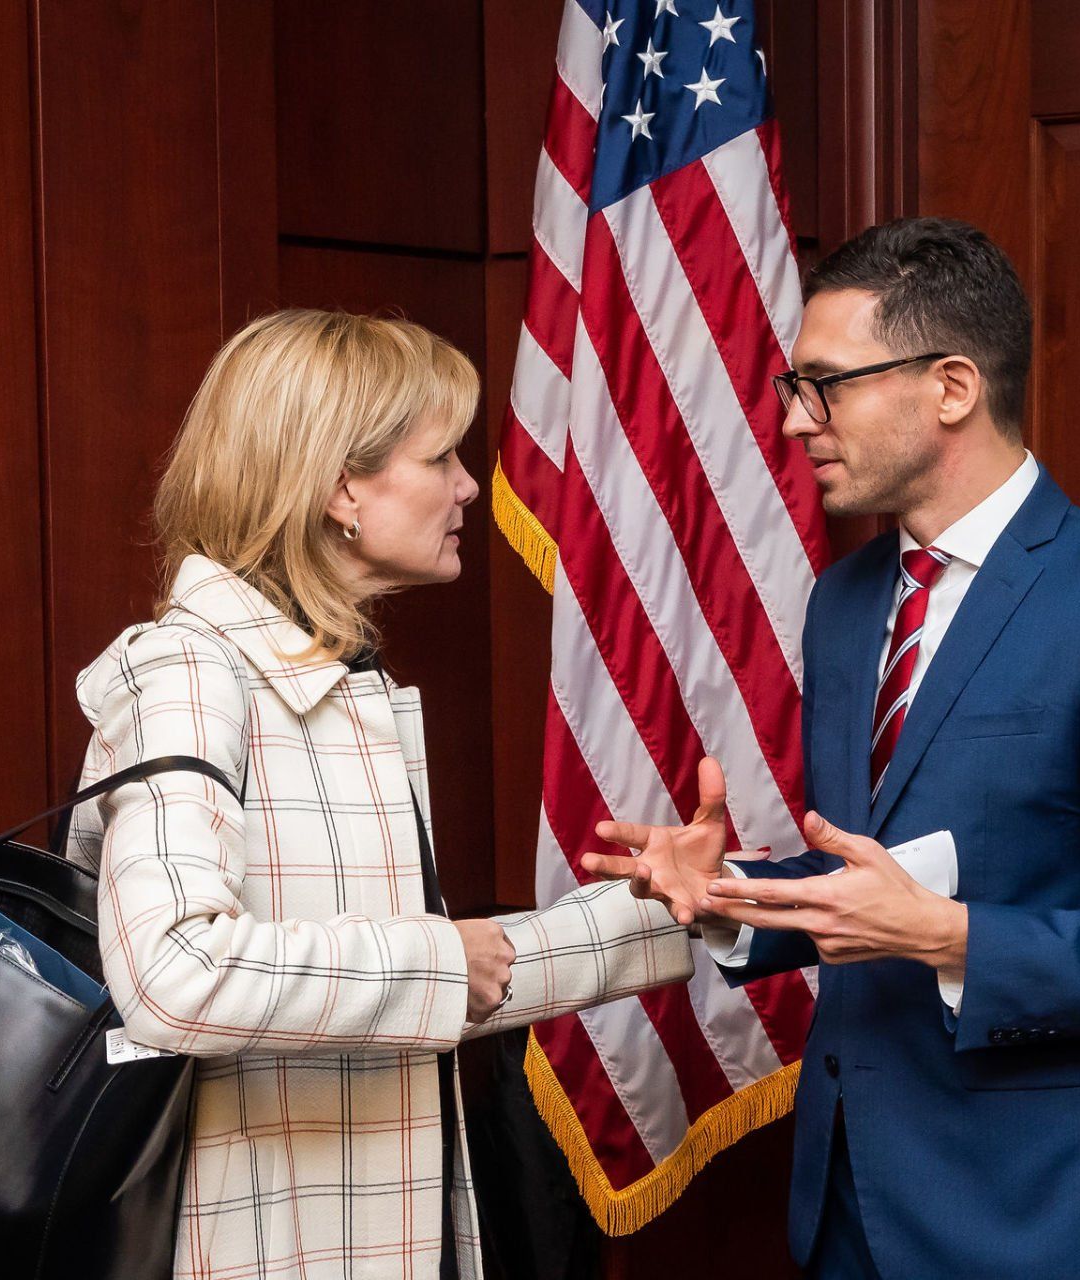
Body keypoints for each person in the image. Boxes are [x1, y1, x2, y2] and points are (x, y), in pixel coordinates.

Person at [583, 217, 1080, 1278]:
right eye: (794, 386)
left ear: (951, 387)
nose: (796, 420)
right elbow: (874, 872)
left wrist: (948, 937)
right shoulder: (845, 604)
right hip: (845, 1206)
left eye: (825, 384)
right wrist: (738, 898)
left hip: (1038, 1226)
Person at [62, 310, 692, 1280]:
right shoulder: (190, 671)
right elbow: (173, 973)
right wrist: (438, 962)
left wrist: (672, 909)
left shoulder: (330, 678)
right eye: (441, 455)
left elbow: (414, 989)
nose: (469, 485)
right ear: (342, 488)